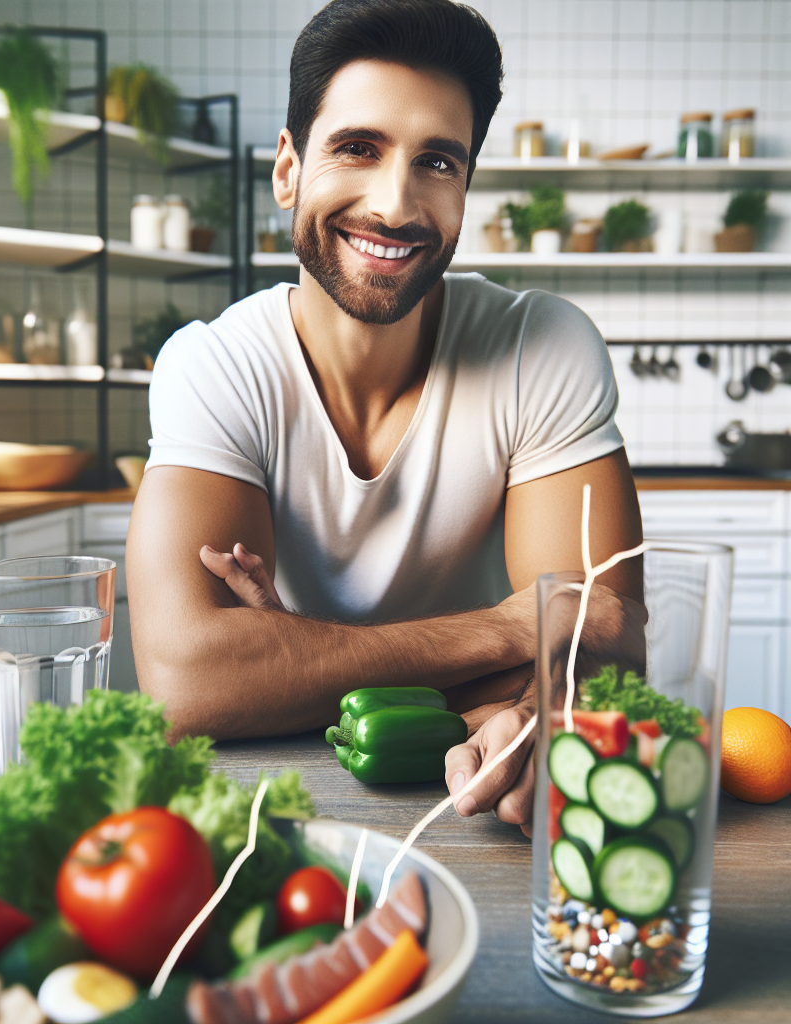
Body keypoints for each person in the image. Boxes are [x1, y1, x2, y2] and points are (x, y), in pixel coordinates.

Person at [127, 0, 643, 837]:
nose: (397, 205)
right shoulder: (215, 365)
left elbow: (607, 638)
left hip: (493, 800)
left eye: (437, 161)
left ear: (467, 185)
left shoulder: (541, 346)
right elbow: (190, 683)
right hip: (272, 817)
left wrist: (289, 653)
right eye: (357, 148)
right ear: (288, 169)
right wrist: (508, 629)